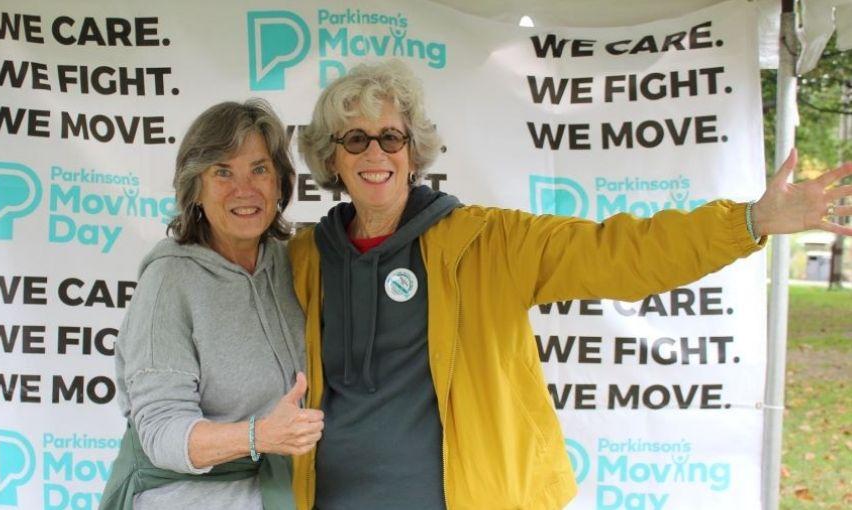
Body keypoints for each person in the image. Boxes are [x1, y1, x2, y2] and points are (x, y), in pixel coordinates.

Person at [288, 59, 852, 509]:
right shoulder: (307, 257)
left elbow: (621, 253)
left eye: (391, 137)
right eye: (355, 139)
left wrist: (750, 222)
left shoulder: (487, 241)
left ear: (413, 153)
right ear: (331, 159)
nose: (375, 153)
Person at [102, 100, 324, 510]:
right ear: (195, 188)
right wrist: (259, 436)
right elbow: (161, 433)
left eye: (259, 169)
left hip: (280, 494)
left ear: (280, 183)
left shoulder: (292, 263)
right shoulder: (168, 280)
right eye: (223, 172)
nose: (245, 189)